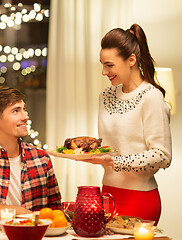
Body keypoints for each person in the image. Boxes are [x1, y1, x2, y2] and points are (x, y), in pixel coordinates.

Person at [81, 24, 172, 225]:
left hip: (140, 199)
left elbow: (162, 156)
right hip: (107, 195)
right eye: (102, 64)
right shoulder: (105, 96)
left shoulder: (152, 97)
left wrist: (115, 162)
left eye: (110, 65)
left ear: (131, 60)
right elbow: (112, 145)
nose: (104, 72)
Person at [0, 86, 61, 216]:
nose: (25, 116)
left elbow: (55, 210)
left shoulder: (41, 157)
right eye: (16, 111)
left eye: (24, 109)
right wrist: (23, 213)